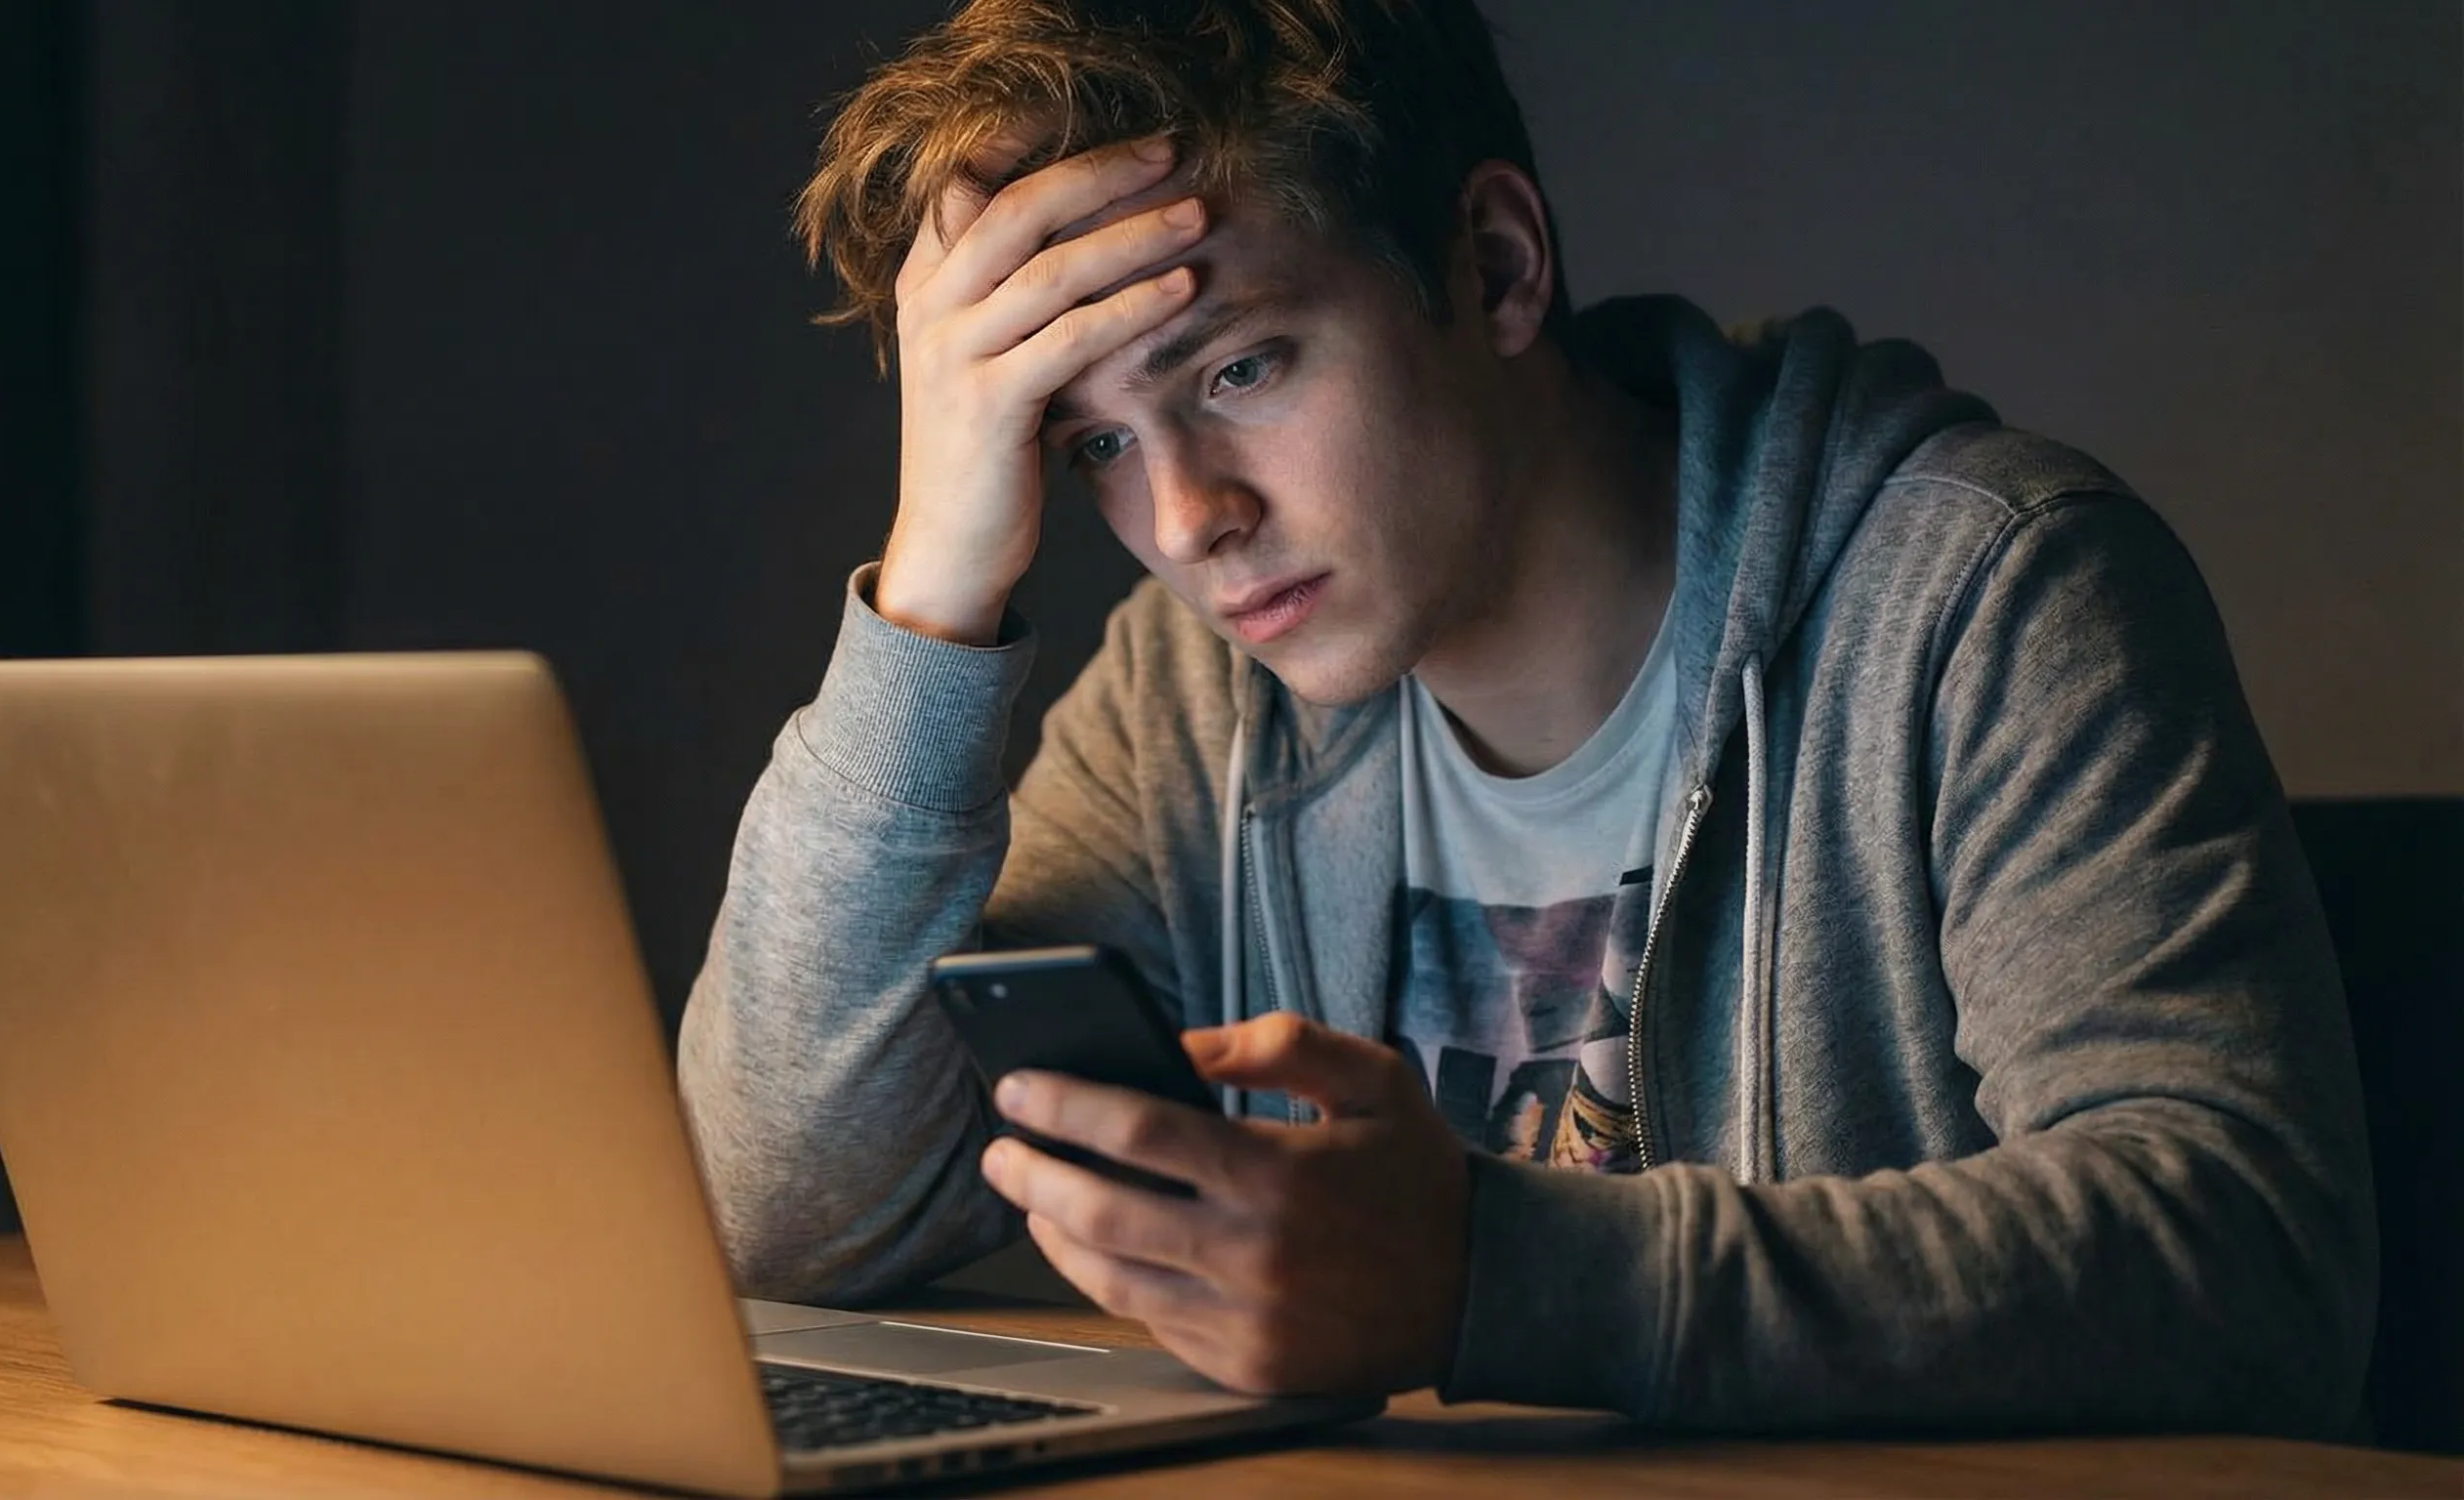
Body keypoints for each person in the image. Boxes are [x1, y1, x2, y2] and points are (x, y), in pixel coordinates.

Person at [677, 0, 2375, 1437]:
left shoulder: (1990, 594)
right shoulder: (1196, 705)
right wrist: (932, 600)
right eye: (1096, 443)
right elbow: (789, 1208)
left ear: (1495, 266)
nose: (1187, 519)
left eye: (1242, 369)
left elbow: (2247, 1253)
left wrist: (1492, 1277)